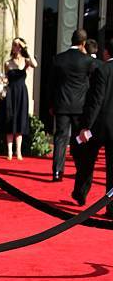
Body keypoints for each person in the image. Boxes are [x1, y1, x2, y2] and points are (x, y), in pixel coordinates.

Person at [73, 37, 113, 218]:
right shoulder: (102, 68)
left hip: (99, 126)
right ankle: (111, 207)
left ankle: (81, 192)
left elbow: (96, 100)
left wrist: (86, 125)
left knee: (87, 160)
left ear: (107, 52)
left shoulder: (103, 69)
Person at [50, 28, 95, 181]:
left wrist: (52, 104)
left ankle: (57, 172)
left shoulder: (58, 59)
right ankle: (79, 169)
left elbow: (52, 85)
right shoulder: (88, 61)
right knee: (78, 139)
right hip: (80, 107)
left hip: (61, 105)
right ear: (83, 43)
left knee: (60, 138)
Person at [0, 37, 37, 161]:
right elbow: (5, 78)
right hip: (10, 93)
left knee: (20, 119)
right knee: (10, 120)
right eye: (14, 44)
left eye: (18, 45)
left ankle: (18, 151)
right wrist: (2, 82)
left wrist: (26, 49)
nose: (16, 47)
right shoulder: (7, 63)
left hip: (21, 93)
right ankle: (9, 152)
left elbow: (35, 64)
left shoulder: (25, 61)